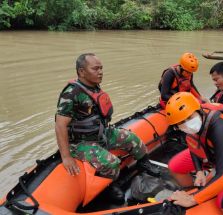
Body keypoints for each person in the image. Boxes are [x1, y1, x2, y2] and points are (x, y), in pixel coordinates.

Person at [55, 53, 160, 182]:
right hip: (81, 143)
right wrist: (66, 157)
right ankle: (109, 185)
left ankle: (144, 163)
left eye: (101, 68)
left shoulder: (93, 86)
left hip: (101, 134)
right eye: (95, 69)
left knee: (133, 138)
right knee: (112, 163)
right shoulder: (71, 94)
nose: (100, 72)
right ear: (81, 72)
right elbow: (60, 125)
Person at [165, 92, 223, 215]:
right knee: (174, 166)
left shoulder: (219, 126)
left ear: (199, 110)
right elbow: (193, 147)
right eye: (182, 122)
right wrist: (199, 171)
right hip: (211, 152)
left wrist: (192, 199)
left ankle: (195, 195)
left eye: (190, 117)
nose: (187, 123)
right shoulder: (192, 126)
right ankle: (192, 189)